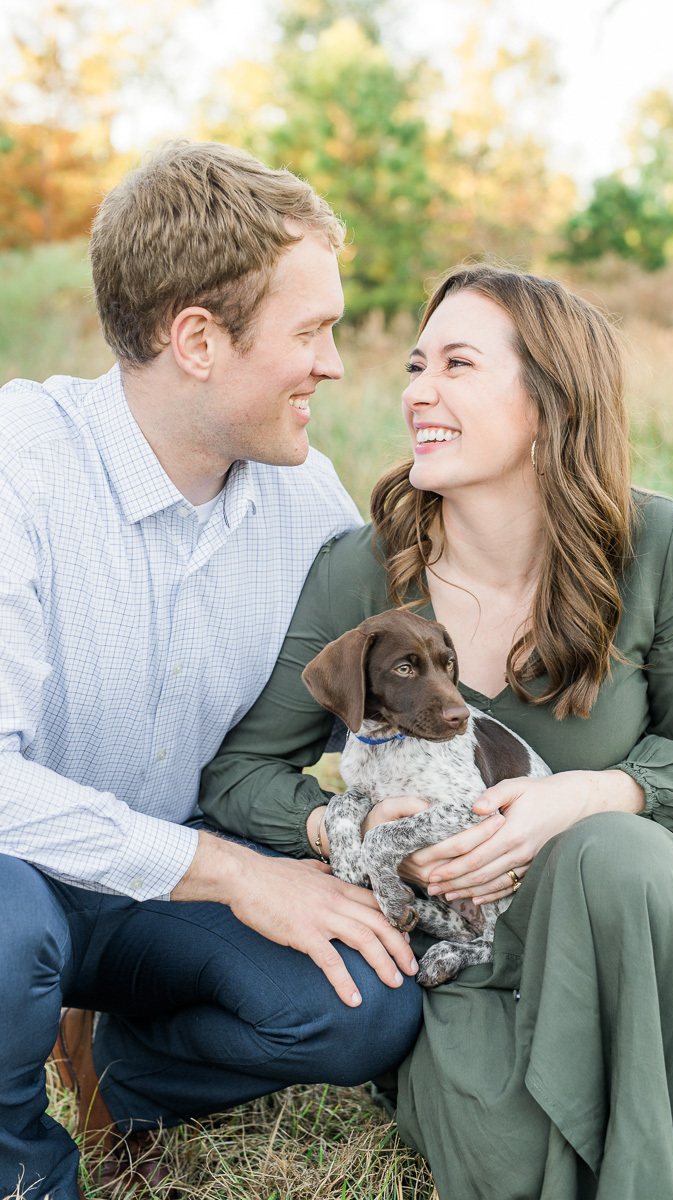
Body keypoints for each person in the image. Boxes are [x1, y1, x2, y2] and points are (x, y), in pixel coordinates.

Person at [199, 264, 673, 1200]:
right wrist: (347, 826)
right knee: (515, 1167)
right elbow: (239, 776)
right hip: (460, 957)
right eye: (415, 365)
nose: (417, 391)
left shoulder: (662, 547)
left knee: (615, 849)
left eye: (458, 364)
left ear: (550, 402)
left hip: (616, 933)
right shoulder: (362, 572)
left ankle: (664, 1088)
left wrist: (582, 797)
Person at [0, 140, 423, 1200]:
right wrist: (239, 874)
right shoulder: (20, 463)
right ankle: (22, 1165)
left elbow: (377, 708)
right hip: (17, 875)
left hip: (164, 890)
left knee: (366, 1002)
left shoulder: (308, 499)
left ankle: (129, 1071)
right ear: (197, 340)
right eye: (310, 332)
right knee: (6, 933)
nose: (334, 364)